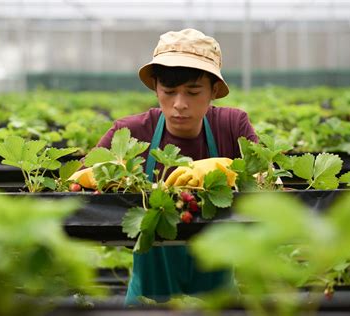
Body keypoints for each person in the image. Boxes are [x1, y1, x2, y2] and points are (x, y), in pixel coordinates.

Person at [71, 28, 258, 305]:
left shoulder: (232, 126)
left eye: (193, 92)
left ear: (214, 90)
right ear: (156, 87)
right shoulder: (131, 132)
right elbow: (76, 183)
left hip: (218, 302)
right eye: (169, 91)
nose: (179, 104)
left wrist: (227, 167)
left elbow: (269, 180)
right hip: (147, 299)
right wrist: (109, 177)